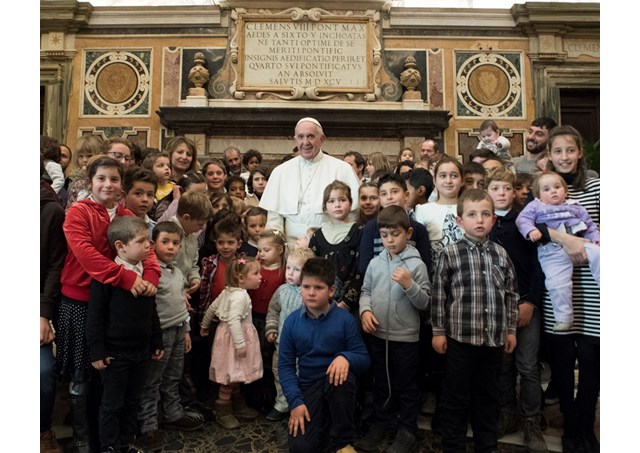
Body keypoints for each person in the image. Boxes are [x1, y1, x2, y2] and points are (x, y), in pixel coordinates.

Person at [57, 156, 161, 452]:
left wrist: (151, 275)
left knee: (109, 378)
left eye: (114, 179)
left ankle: (112, 440)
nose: (108, 184)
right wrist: (126, 277)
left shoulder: (125, 213)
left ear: (121, 185)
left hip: (116, 302)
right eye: (101, 178)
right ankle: (83, 439)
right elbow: (87, 255)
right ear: (90, 182)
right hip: (80, 298)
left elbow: (147, 250)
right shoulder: (78, 212)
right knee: (82, 374)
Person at [431, 188, 518, 453]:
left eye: (485, 214)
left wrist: (511, 330)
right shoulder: (450, 253)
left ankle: (487, 446)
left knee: (488, 398)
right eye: (472, 214)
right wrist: (438, 331)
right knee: (455, 398)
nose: (479, 220)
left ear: (493, 219)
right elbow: (439, 294)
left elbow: (511, 294)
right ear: (460, 220)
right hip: (460, 339)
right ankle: (453, 447)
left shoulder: (501, 254)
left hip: (492, 341)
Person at [534, 125, 600, 453]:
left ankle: (585, 425)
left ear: (579, 153)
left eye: (570, 150)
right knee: (561, 362)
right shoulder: (544, 185)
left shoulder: (597, 186)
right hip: (558, 286)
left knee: (591, 359)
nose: (564, 157)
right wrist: (566, 239)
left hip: (591, 284)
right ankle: (569, 425)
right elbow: (532, 225)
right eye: (558, 151)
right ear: (549, 155)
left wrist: (584, 244)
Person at [85, 216, 165, 453]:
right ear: (120, 246)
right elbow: (96, 316)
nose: (148, 245)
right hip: (115, 354)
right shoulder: (107, 278)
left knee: (132, 400)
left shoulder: (146, 273)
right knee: (112, 404)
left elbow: (151, 312)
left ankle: (127, 441)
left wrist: (156, 340)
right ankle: (109, 446)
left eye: (148, 240)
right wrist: (97, 350)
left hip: (141, 351)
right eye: (141, 241)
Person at [357, 205, 431, 452]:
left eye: (395, 234)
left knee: (406, 384)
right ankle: (381, 422)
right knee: (381, 382)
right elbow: (365, 291)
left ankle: (407, 429)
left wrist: (410, 285)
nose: (389, 240)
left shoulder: (417, 265)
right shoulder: (375, 264)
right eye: (384, 235)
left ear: (408, 233)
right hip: (378, 335)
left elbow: (425, 302)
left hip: (405, 338)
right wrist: (365, 311)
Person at [278, 258, 370, 453]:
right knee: (301, 448)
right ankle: (325, 423)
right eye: (306, 287)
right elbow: (285, 366)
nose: (311, 293)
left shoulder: (345, 320)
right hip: (309, 387)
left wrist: (345, 357)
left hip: (337, 385)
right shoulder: (292, 322)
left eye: (318, 288)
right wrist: (295, 402)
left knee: (341, 379)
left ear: (331, 290)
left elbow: (363, 358)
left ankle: (342, 442)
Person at [485, 167, 548, 452]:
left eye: (506, 189)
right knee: (503, 365)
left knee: (527, 365)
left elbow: (539, 265)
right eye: (495, 188)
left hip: (525, 304)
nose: (501, 193)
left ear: (515, 192)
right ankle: (506, 412)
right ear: (487, 191)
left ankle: (531, 419)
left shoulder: (525, 223)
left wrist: (531, 302)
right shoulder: (484, 223)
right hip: (496, 308)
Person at [138, 221, 204, 452]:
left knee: (174, 375)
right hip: (161, 333)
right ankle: (148, 425)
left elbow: (181, 303)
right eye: (165, 242)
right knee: (153, 380)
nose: (170, 247)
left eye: (175, 243)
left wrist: (186, 330)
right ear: (152, 244)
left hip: (178, 329)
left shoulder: (177, 272)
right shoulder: (150, 272)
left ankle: (173, 413)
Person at [516, 171, 600, 331]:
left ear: (565, 191)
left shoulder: (575, 206)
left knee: (599, 254)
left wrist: (596, 238)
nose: (553, 191)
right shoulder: (535, 206)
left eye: (557, 187)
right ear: (538, 196)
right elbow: (522, 220)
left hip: (579, 243)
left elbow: (589, 225)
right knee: (557, 284)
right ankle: (564, 318)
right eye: (546, 189)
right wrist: (531, 230)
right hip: (551, 250)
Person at [260, 117, 361, 246]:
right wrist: (275, 247)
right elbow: (275, 220)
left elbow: (351, 216)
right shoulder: (280, 171)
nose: (305, 142)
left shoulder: (342, 169)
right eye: (301, 137)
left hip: (329, 244)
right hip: (291, 246)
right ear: (295, 140)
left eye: (310, 136)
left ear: (322, 139)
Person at [200, 257, 264, 429]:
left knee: (235, 372)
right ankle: (223, 411)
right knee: (229, 377)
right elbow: (234, 320)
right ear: (241, 278)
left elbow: (212, 308)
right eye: (256, 273)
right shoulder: (240, 296)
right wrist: (240, 344)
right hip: (234, 341)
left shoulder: (227, 291)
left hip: (226, 339)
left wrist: (205, 325)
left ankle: (238, 406)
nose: (260, 277)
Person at [264, 247, 316, 422]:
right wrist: (272, 329)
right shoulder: (281, 291)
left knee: (302, 375)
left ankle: (300, 404)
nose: (290, 273)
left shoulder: (309, 294)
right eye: (288, 268)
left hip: (303, 347)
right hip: (282, 345)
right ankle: (282, 403)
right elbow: (273, 311)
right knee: (279, 374)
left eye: (296, 269)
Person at [40, 160, 67, 453]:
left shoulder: (50, 210)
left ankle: (41, 430)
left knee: (43, 372)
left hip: (37, 304)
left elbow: (55, 267)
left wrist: (43, 314)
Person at [359, 172, 432, 276]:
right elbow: (365, 266)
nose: (389, 197)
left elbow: (425, 267)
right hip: (378, 282)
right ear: (379, 198)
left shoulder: (418, 229)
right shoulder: (371, 227)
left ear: (406, 195)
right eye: (384, 194)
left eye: (394, 192)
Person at [248, 229, 288, 412]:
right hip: (253, 317)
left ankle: (269, 396)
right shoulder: (257, 269)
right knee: (254, 356)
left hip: (272, 321)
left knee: (268, 357)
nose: (261, 254)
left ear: (279, 250)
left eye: (266, 250)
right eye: (259, 250)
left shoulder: (284, 272)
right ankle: (254, 396)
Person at [309, 181, 363, 313]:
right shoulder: (317, 236)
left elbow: (361, 271)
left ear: (350, 204)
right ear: (325, 207)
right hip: (321, 302)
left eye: (342, 200)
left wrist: (346, 302)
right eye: (331, 201)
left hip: (350, 303)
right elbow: (311, 271)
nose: (337, 205)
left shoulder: (359, 232)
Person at [414, 156, 464, 273]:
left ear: (462, 181)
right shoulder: (423, 210)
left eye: (454, 176)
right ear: (435, 180)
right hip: (435, 272)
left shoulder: (470, 209)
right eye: (443, 176)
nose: (448, 181)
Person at [169, 191, 214, 313]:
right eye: (200, 224)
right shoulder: (167, 235)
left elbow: (193, 264)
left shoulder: (192, 236)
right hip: (169, 295)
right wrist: (179, 291)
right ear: (186, 218)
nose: (202, 228)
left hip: (184, 293)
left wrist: (195, 278)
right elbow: (165, 270)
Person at [122, 166, 158, 235]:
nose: (145, 199)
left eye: (150, 195)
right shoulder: (114, 224)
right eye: (138, 194)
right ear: (124, 195)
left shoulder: (155, 230)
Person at [142, 151, 174, 221]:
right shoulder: (149, 190)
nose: (167, 168)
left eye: (168, 166)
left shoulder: (175, 186)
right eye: (161, 166)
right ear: (150, 170)